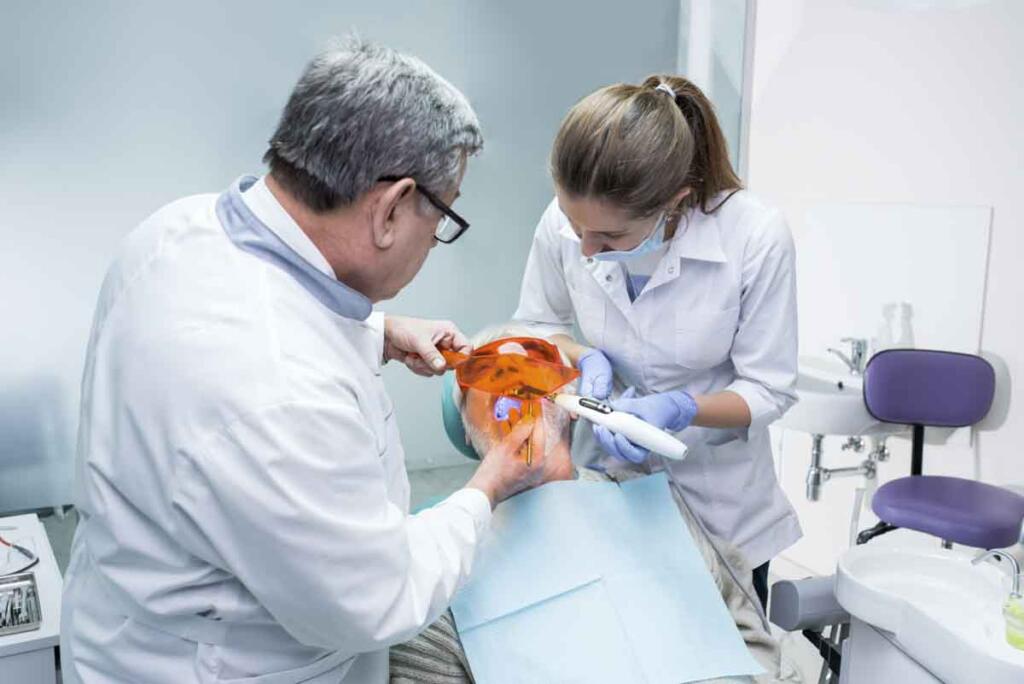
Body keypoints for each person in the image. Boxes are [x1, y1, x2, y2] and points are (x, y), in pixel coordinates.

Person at [60, 40, 564, 683]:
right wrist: (491, 481)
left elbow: (258, 325)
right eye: (442, 216)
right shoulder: (281, 391)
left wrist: (374, 333)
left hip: (119, 623)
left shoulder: (174, 230)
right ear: (389, 208)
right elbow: (378, 599)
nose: (436, 241)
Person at [512, 76, 801, 608]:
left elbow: (769, 389)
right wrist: (584, 357)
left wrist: (682, 408)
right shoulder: (569, 221)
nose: (586, 248)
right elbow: (535, 325)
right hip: (605, 489)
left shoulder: (755, 236)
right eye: (576, 227)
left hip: (721, 510)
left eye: (609, 238)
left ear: (676, 202)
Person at [389, 326, 800, 684]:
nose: (518, 386)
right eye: (492, 374)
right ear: (467, 427)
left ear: (571, 405)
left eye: (536, 365)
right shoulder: (438, 559)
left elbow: (749, 636)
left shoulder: (654, 505)